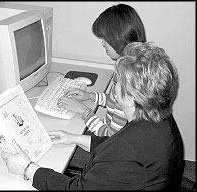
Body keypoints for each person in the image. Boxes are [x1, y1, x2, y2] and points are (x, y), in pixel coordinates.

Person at [2, 41, 184, 190]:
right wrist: (74, 138)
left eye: (117, 81)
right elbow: (118, 147)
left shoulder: (125, 148)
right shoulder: (158, 116)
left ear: (130, 98)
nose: (114, 85)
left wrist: (28, 168)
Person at [58, 3, 147, 170]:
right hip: (114, 137)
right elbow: (114, 100)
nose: (102, 44)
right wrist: (90, 97)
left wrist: (84, 112)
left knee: (59, 150)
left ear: (117, 39)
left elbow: (110, 138)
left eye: (104, 39)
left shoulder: (128, 85)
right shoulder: (129, 65)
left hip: (111, 147)